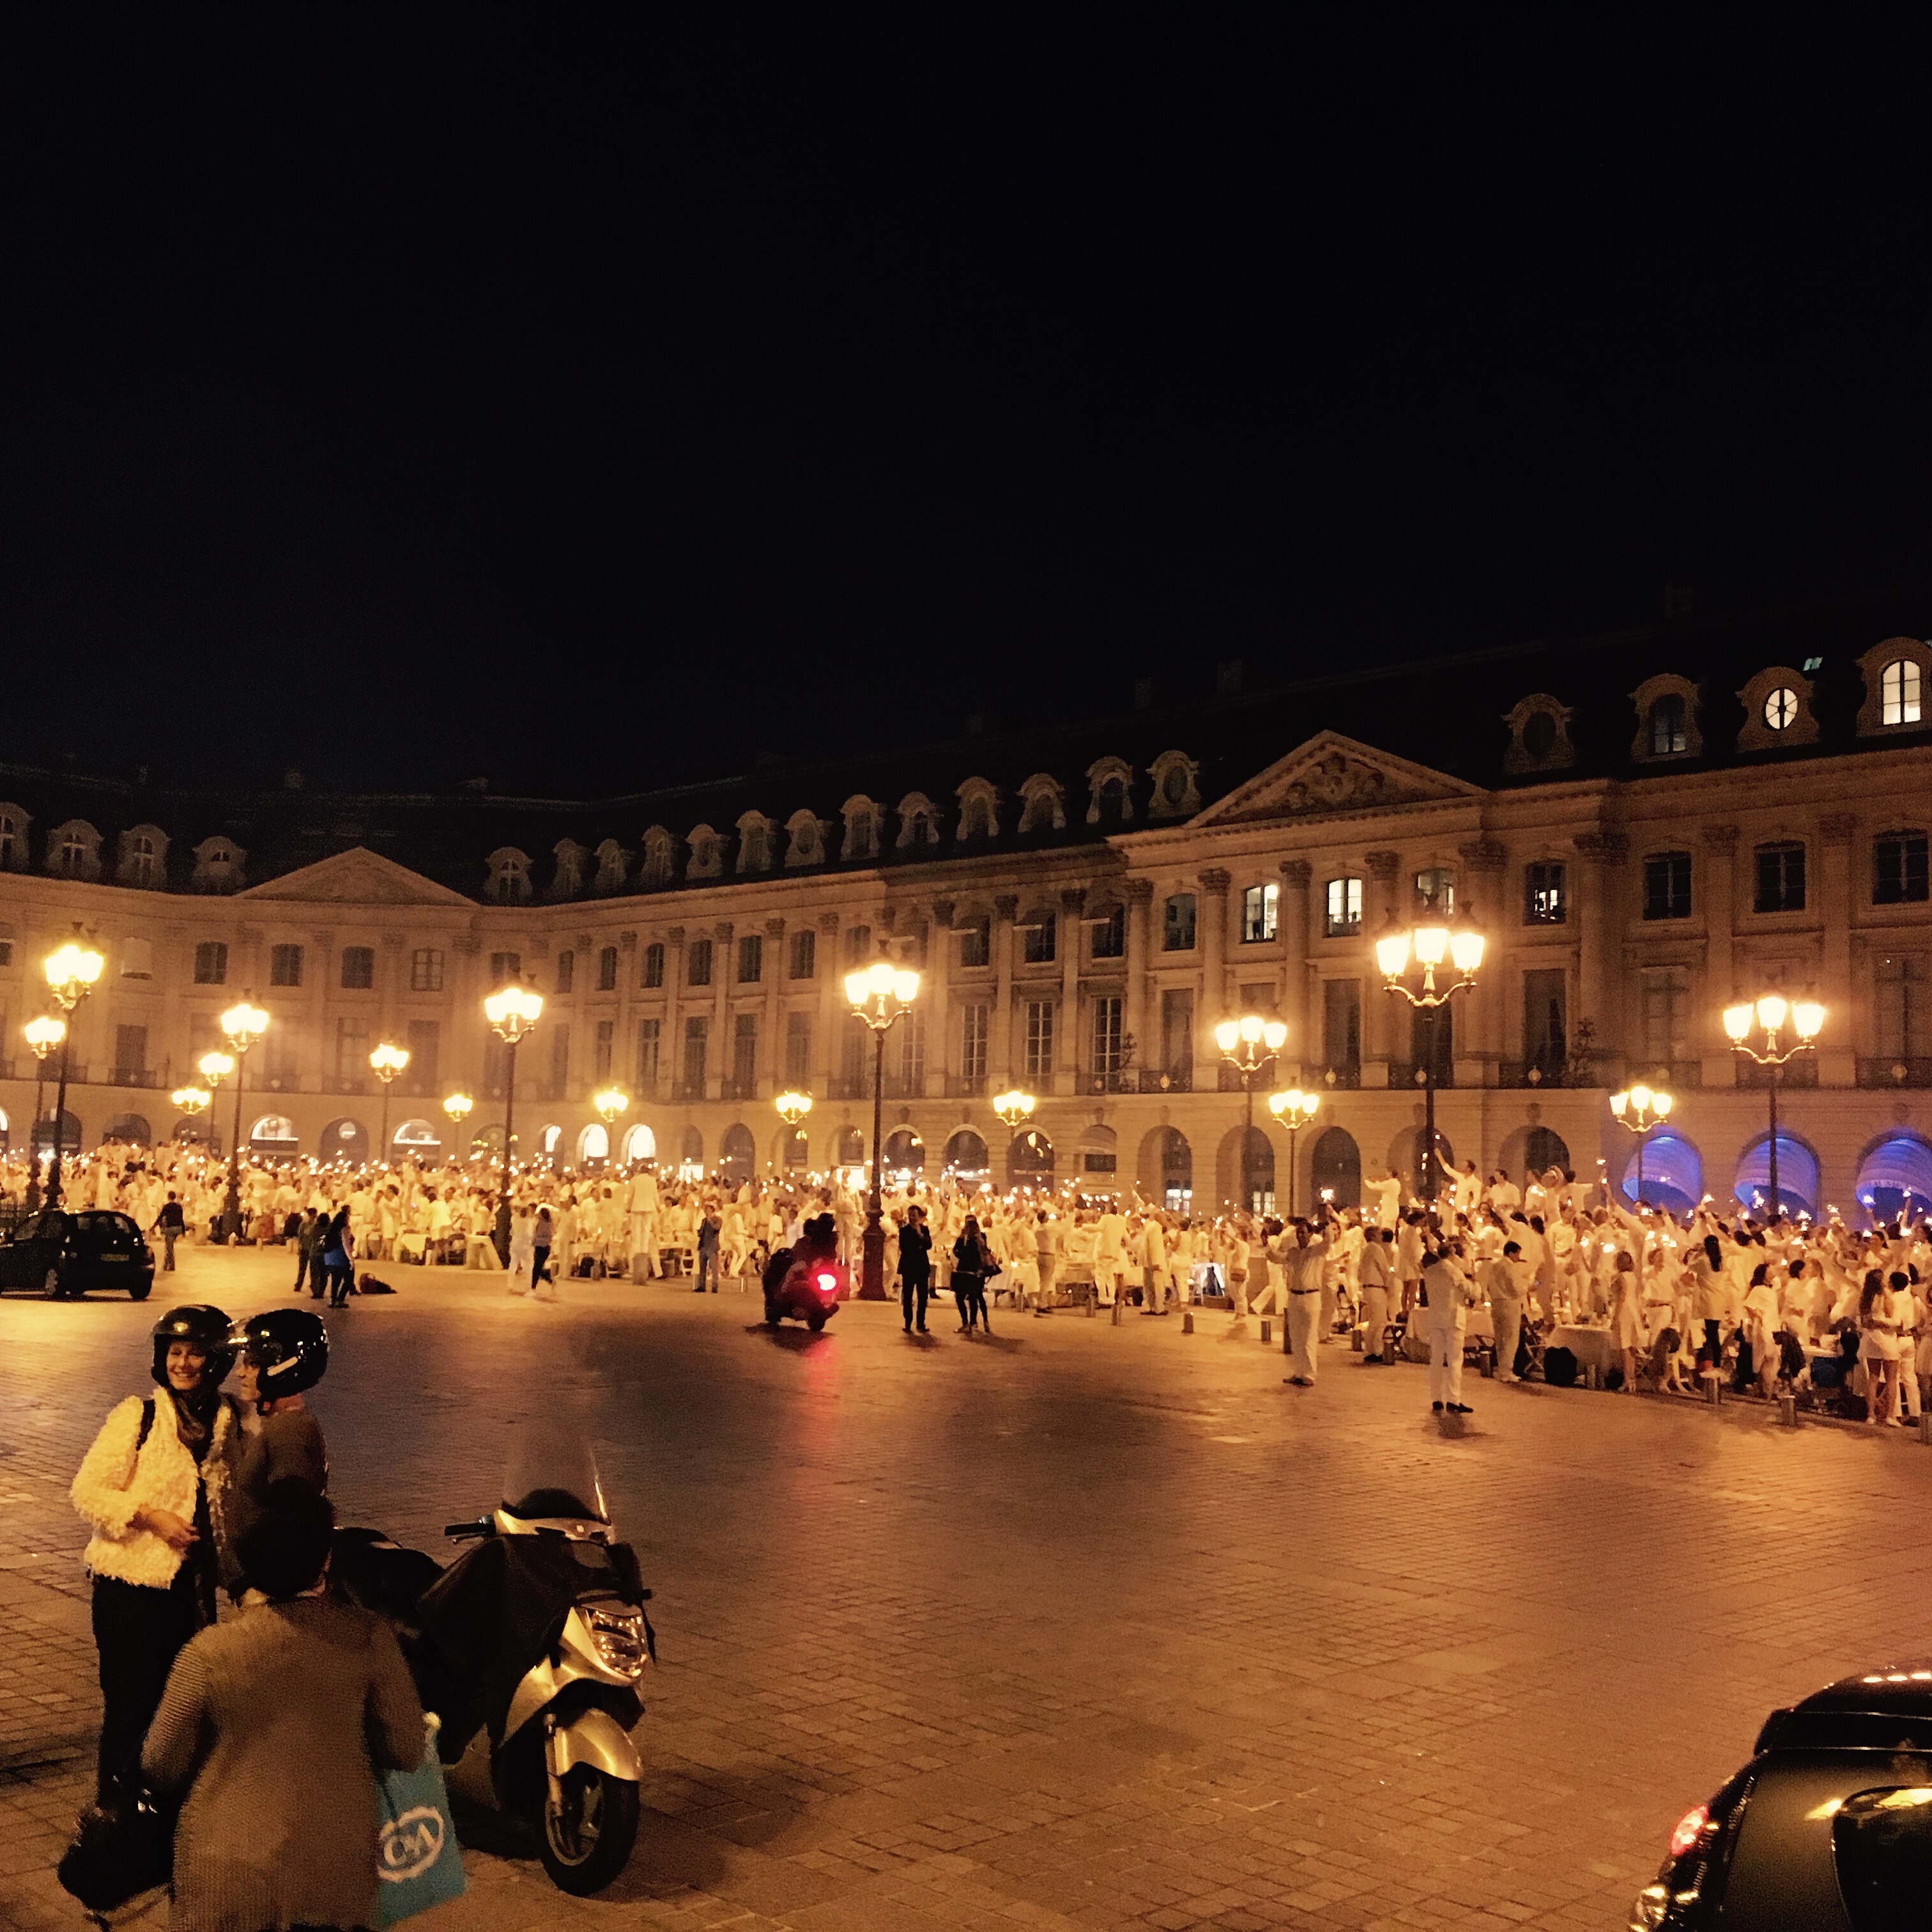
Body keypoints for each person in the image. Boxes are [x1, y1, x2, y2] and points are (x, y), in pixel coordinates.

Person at [142, 1482, 425, 1932]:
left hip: (225, 1869)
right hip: (334, 1869)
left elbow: (159, 1762)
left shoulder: (209, 1652)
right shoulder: (368, 1638)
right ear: (326, 1558)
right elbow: (407, 1748)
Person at [70, 1305, 246, 1800]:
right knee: (132, 1707)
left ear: (214, 1361)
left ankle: (163, 1811)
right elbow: (88, 1491)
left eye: (195, 1354)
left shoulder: (229, 1419)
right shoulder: (139, 1416)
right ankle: (116, 1815)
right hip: (130, 1589)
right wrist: (150, 1516)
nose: (184, 1364)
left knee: (184, 1706)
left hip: (192, 1592)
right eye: (175, 1353)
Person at [229, 1311, 330, 1552]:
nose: (240, 1373)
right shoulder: (288, 1422)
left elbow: (290, 1528)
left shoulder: (287, 1433)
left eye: (253, 1364)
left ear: (284, 1368)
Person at [1422, 1240, 1476, 1415]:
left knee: (1436, 1359)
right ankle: (1454, 1399)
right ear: (1452, 1253)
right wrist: (1473, 1279)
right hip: (1453, 1318)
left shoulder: (1430, 1271)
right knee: (1454, 1360)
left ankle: (1436, 1398)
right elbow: (1471, 1292)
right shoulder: (1453, 1271)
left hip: (1435, 1318)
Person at [953, 1215, 994, 1334]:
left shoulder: (980, 1237)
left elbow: (982, 1252)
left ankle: (973, 1323)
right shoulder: (963, 1237)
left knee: (975, 1297)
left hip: (975, 1271)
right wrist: (962, 1249)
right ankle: (966, 1323)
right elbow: (956, 1250)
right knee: (960, 1297)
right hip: (964, 1270)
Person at [898, 1204, 933, 1333]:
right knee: (907, 1296)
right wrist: (919, 1246)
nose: (912, 1218)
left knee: (923, 1296)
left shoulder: (924, 1230)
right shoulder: (904, 1230)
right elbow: (905, 1247)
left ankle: (920, 1323)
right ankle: (908, 1323)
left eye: (914, 1215)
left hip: (922, 1267)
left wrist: (919, 1235)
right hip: (908, 1266)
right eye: (910, 1215)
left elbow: (928, 1245)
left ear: (919, 1216)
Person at [319, 1207, 355, 1309]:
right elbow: (346, 1245)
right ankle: (340, 1299)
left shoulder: (332, 1229)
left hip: (330, 1257)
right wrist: (351, 1260)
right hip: (340, 1257)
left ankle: (333, 1300)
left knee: (336, 1280)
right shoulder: (344, 1229)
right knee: (348, 1279)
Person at [150, 1191, 186, 1273]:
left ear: (168, 1197)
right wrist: (183, 1231)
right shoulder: (179, 1206)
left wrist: (153, 1227)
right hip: (178, 1228)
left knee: (169, 1248)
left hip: (170, 1228)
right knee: (169, 1247)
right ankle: (166, 1264)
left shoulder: (167, 1207)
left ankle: (171, 1264)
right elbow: (181, 1219)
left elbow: (160, 1217)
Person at [694, 1204, 721, 1293]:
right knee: (702, 1267)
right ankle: (701, 1285)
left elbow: (717, 1228)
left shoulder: (717, 1219)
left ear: (712, 1211)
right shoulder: (704, 1221)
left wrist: (710, 1221)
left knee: (714, 1268)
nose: (706, 1212)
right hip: (703, 1246)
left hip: (712, 1247)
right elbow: (701, 1232)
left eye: (708, 1210)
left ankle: (714, 1286)